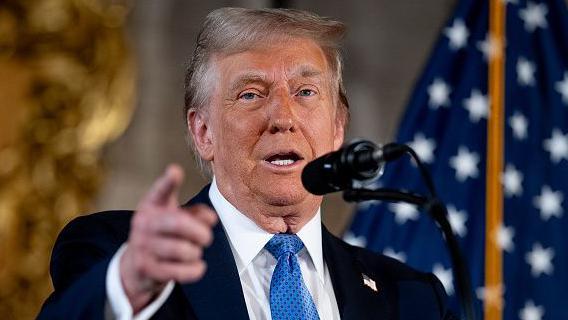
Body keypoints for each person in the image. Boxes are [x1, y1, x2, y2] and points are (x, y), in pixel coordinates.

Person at [39, 7, 455, 320]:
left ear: (338, 127)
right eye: (251, 94)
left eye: (306, 92)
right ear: (203, 133)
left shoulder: (412, 298)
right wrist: (126, 286)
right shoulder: (116, 252)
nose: (282, 118)